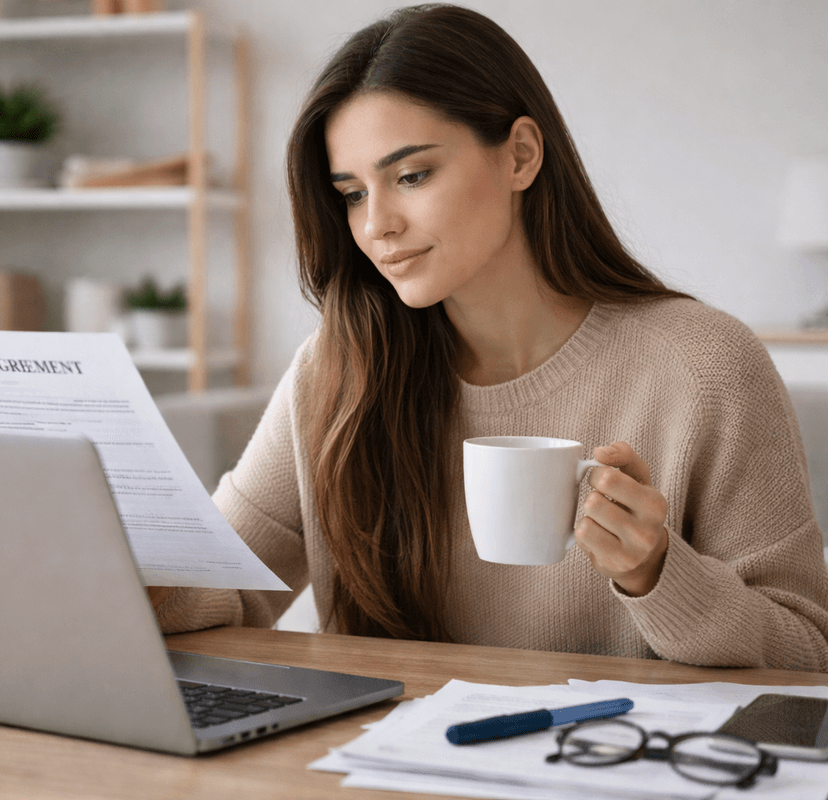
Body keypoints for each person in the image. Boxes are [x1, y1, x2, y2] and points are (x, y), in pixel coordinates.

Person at [151, 4, 828, 670]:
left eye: (411, 176)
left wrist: (656, 573)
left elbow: (808, 653)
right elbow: (224, 586)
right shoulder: (339, 367)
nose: (376, 226)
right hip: (377, 773)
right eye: (353, 193)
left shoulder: (705, 366)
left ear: (522, 157)